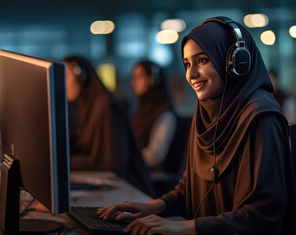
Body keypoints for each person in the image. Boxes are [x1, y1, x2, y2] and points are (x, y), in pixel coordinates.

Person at [97, 17, 296, 234]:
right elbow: (191, 191)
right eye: (187, 64)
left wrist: (181, 228)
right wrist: (151, 207)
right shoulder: (205, 115)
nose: (191, 75)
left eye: (202, 61)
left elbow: (263, 213)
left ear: (235, 63)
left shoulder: (261, 117)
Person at [63, 56, 155, 196]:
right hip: (108, 184)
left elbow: (109, 162)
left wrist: (63, 163)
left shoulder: (105, 106)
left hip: (128, 190)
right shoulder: (83, 107)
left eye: (66, 76)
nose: (62, 83)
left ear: (82, 77)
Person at [130, 61, 177, 169]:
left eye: (139, 76)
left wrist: (125, 157)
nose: (133, 81)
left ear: (152, 80)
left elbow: (155, 156)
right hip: (137, 171)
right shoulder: (137, 112)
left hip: (151, 177)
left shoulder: (165, 115)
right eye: (133, 76)